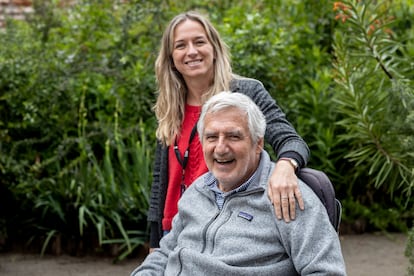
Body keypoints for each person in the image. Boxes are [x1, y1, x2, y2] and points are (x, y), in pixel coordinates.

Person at [131, 92, 346, 275]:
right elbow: (165, 253)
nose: (221, 148)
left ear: (258, 143)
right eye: (212, 137)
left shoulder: (288, 198)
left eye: (234, 136)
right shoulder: (197, 192)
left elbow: (326, 270)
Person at [148, 10, 310, 250]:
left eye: (199, 42)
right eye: (180, 45)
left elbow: (292, 141)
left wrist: (286, 166)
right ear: (171, 58)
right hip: (172, 230)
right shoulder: (172, 107)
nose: (191, 51)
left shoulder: (246, 93)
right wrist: (154, 241)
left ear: (214, 48)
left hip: (223, 226)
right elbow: (161, 180)